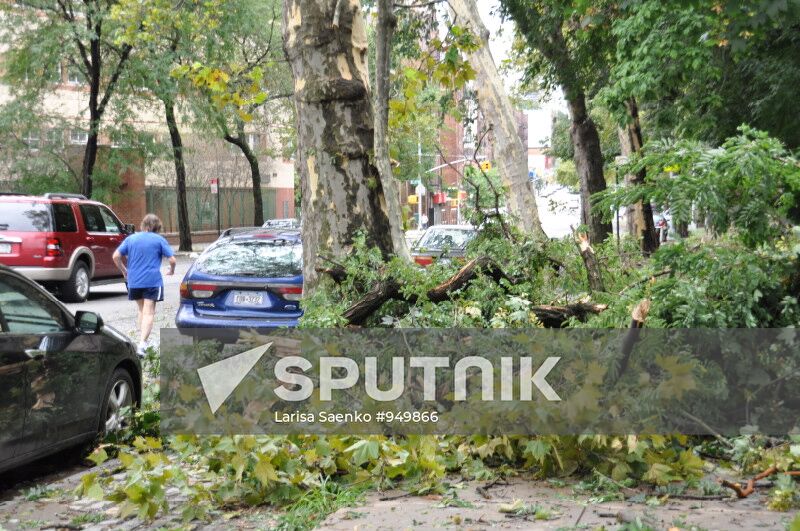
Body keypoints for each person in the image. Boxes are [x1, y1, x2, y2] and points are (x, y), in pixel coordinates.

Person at [112, 214, 176, 356]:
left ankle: (142, 341)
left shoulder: (131, 239)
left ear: (144, 225)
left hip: (134, 281)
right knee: (149, 312)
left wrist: (124, 271)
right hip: (152, 281)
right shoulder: (159, 240)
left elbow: (115, 256)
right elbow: (172, 260)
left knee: (141, 310)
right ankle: (142, 344)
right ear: (157, 227)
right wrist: (172, 270)